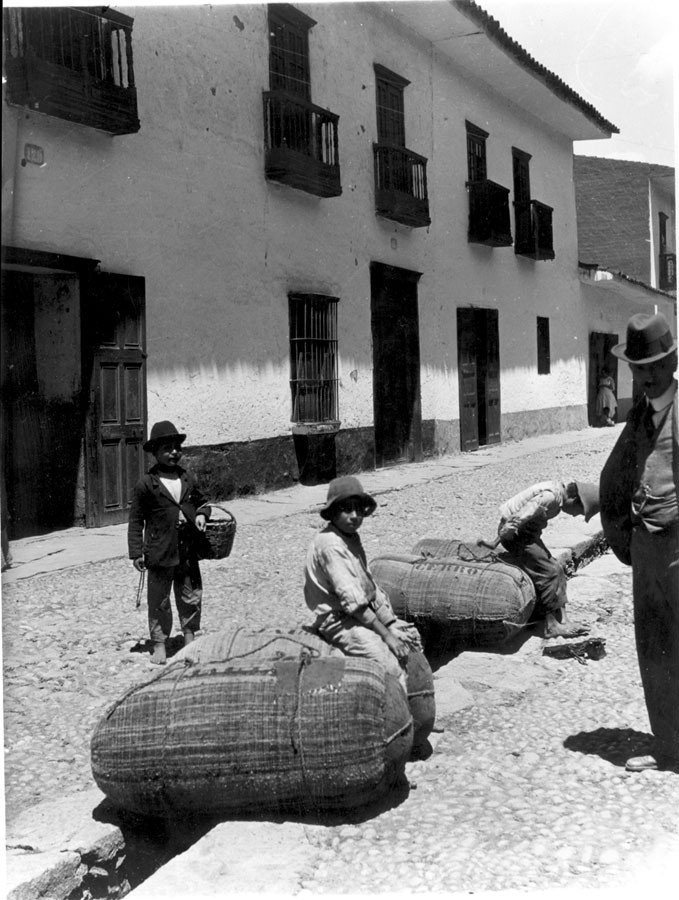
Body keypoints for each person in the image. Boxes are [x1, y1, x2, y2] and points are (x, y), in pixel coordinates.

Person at [600, 311, 678, 773]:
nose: (645, 378)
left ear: (671, 364)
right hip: (647, 548)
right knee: (653, 647)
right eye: (637, 369)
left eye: (652, 368)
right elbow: (619, 472)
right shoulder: (638, 415)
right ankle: (668, 745)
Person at [304, 475, 422, 691]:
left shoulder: (350, 536)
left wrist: (390, 623)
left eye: (358, 510)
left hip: (362, 614)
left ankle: (419, 710)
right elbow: (354, 601)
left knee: (411, 639)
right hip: (339, 620)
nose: (354, 516)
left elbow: (369, 586)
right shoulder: (331, 545)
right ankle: (399, 722)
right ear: (333, 512)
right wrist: (386, 636)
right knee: (388, 665)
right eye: (346, 510)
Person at [128, 421, 211, 665]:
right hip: (159, 551)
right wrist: (136, 552)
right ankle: (160, 644)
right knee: (159, 600)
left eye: (177, 447)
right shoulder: (146, 484)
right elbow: (135, 521)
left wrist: (200, 515)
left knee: (190, 595)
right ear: (155, 453)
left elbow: (203, 503)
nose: (174, 452)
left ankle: (189, 637)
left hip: (186, 550)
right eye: (167, 448)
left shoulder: (187, 478)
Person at [496, 479, 600, 638]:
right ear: (574, 499)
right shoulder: (551, 497)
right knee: (548, 572)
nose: (575, 515)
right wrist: (506, 531)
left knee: (557, 567)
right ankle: (550, 626)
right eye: (579, 511)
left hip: (526, 535)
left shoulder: (556, 496)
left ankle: (563, 620)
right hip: (517, 536)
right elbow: (521, 514)